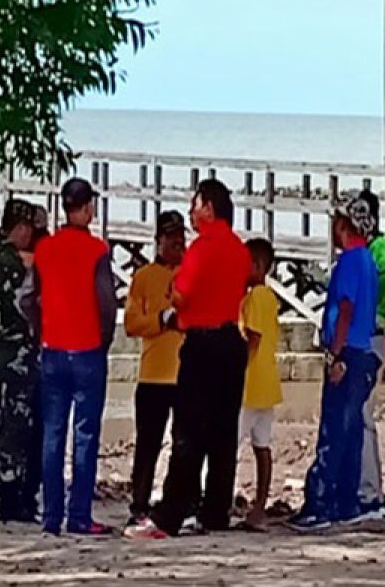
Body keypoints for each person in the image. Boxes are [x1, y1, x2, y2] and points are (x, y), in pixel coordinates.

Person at [127, 179, 250, 540]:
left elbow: (179, 296)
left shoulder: (202, 248)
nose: (192, 212)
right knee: (223, 433)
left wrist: (175, 289)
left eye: (195, 204)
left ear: (208, 207)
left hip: (202, 341)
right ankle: (215, 511)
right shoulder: (240, 250)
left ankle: (169, 515)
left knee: (188, 433)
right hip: (231, 340)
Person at [288, 196, 380, 532]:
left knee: (333, 430)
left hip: (349, 352)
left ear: (343, 226)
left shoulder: (350, 262)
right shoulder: (368, 260)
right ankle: (347, 502)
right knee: (352, 429)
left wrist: (335, 354)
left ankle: (321, 504)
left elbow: (345, 309)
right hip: (363, 350)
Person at [34, 177, 117, 536]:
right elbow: (107, 302)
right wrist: (105, 340)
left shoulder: (45, 250)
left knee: (52, 435)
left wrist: (41, 331)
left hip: (52, 350)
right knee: (85, 434)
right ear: (85, 208)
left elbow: (29, 298)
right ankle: (79, 514)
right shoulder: (97, 251)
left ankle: (51, 515)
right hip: (86, 350)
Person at [0, 198, 43, 523]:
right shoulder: (11, 260)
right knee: (15, 428)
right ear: (19, 228)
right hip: (13, 355)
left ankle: (12, 497)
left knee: (10, 425)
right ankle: (10, 501)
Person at [123, 211, 186, 525]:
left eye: (181, 237)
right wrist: (162, 320)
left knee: (185, 443)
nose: (178, 243)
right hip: (153, 375)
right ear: (158, 240)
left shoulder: (191, 273)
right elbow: (131, 323)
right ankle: (139, 503)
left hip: (187, 374)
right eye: (171, 237)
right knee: (148, 444)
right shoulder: (144, 276)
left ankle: (181, 501)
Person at [238, 239, 281, 532]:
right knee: (262, 446)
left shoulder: (254, 298)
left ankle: (218, 499)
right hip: (268, 383)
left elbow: (252, 339)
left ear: (257, 266)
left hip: (249, 383)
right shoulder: (271, 298)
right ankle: (260, 505)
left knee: (230, 444)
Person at [356, 189, 385, 521]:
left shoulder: (376, 253)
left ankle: (369, 492)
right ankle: (364, 487)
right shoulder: (372, 250)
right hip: (367, 336)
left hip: (373, 337)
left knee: (363, 416)